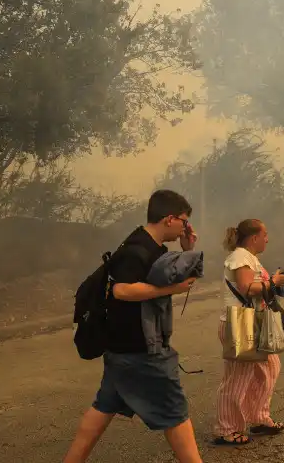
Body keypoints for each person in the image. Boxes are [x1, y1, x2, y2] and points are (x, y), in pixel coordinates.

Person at [63, 190, 203, 463]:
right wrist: (171, 289)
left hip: (123, 349)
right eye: (184, 221)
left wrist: (188, 250)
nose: (185, 227)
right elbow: (122, 291)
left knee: (104, 406)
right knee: (175, 412)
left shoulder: (151, 247)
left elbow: (176, 274)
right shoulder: (136, 250)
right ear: (169, 218)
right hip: (140, 350)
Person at [213, 219, 284, 446]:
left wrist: (274, 282)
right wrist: (274, 282)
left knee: (270, 368)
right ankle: (227, 429)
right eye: (265, 234)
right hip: (239, 324)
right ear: (253, 238)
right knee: (237, 378)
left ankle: (258, 417)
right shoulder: (240, 256)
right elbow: (247, 288)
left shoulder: (249, 257)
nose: (267, 239)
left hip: (252, 322)